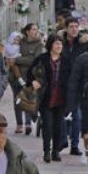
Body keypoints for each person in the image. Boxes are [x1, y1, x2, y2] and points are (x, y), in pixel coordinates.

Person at [28, 34, 68, 163]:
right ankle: (46, 151)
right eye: (56, 44)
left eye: (61, 44)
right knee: (48, 125)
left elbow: (71, 78)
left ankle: (55, 151)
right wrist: (32, 82)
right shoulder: (42, 59)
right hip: (45, 97)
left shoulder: (66, 60)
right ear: (50, 45)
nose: (59, 46)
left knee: (58, 126)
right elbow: (30, 72)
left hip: (60, 98)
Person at [58, 19, 88, 155]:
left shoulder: (83, 44)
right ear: (66, 29)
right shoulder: (60, 43)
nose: (74, 29)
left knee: (77, 115)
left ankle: (75, 144)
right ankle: (62, 139)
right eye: (71, 27)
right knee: (61, 113)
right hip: (62, 82)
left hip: (78, 84)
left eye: (76, 27)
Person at [3, 32, 35, 134]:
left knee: (27, 99)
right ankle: (19, 124)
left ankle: (28, 123)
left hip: (26, 76)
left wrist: (16, 60)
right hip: (14, 78)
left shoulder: (24, 47)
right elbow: (8, 61)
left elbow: (30, 60)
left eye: (19, 39)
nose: (17, 41)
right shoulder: (8, 47)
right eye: (15, 39)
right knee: (17, 100)